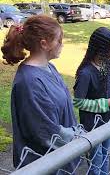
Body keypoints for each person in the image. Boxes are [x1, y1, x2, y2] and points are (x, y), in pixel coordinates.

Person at [1, 15, 78, 172]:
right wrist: (79, 138)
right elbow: (45, 132)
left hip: (64, 158)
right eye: (59, 41)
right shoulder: (29, 82)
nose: (62, 45)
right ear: (44, 44)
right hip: (45, 165)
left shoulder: (50, 68)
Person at [73, 27, 110, 175]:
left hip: (108, 121)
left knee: (105, 156)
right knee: (96, 161)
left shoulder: (109, 65)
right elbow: (78, 102)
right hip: (92, 126)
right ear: (101, 48)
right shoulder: (85, 73)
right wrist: (106, 103)